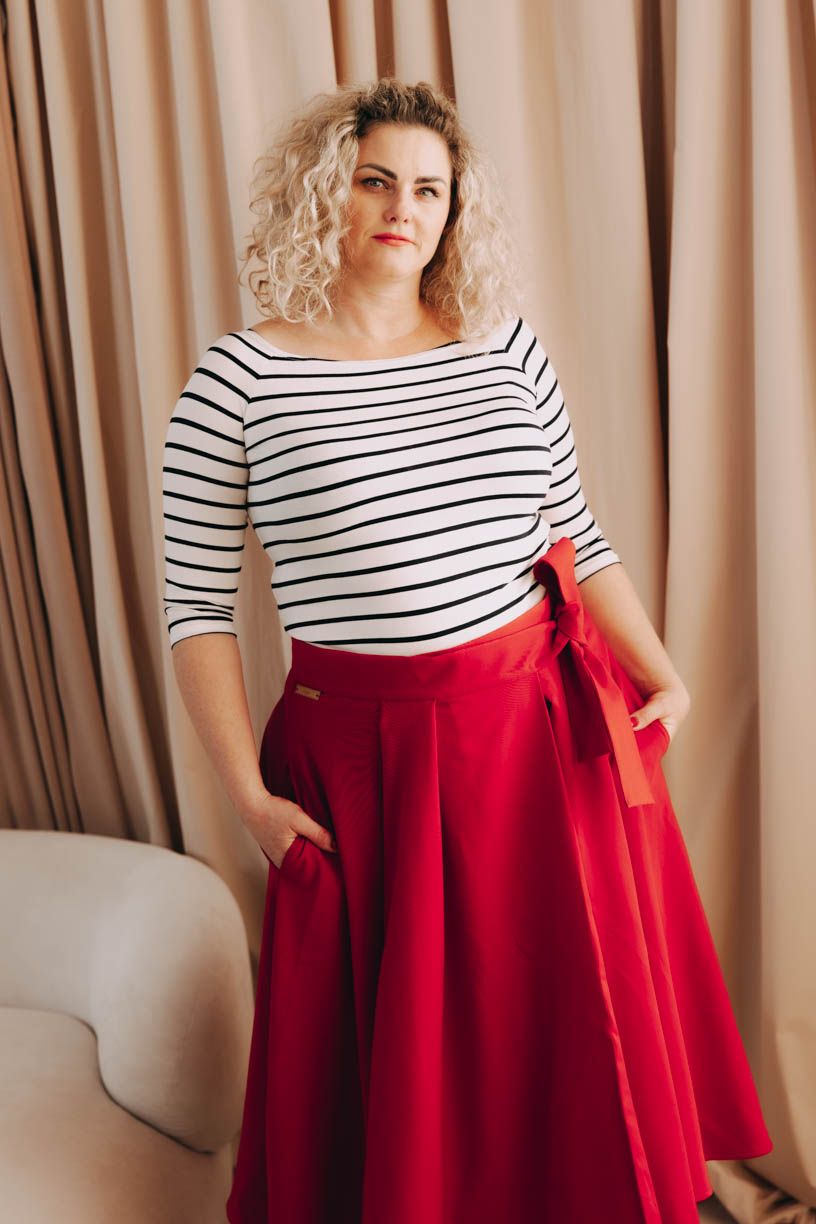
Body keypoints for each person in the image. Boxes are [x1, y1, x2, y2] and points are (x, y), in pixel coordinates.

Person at [162, 77, 772, 1223]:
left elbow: (575, 534)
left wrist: (662, 671)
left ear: (455, 210)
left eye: (430, 189)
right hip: (367, 762)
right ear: (323, 193)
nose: (405, 208)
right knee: (410, 1066)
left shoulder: (504, 348)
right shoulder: (237, 383)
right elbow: (194, 610)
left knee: (570, 1028)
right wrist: (249, 799)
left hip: (541, 735)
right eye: (375, 180)